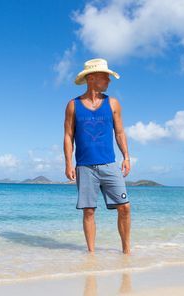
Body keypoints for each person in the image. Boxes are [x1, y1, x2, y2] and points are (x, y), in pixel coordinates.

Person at [63, 58, 131, 254]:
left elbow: (119, 132)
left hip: (109, 165)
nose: (109, 81)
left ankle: (126, 252)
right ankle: (91, 255)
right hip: (84, 166)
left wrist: (126, 156)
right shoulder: (73, 105)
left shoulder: (113, 103)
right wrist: (68, 163)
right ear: (91, 78)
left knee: (125, 207)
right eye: (105, 77)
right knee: (89, 211)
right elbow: (68, 136)